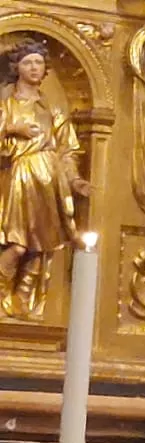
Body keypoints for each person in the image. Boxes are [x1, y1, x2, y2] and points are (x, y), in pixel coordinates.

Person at [0, 39, 89, 321]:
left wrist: (75, 181)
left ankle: (23, 302)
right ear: (17, 67)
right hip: (19, 176)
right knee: (17, 244)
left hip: (49, 182)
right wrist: (14, 128)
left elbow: (67, 150)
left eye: (39, 62)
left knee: (42, 246)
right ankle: (2, 295)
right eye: (28, 62)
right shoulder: (7, 104)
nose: (34, 67)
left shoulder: (54, 110)